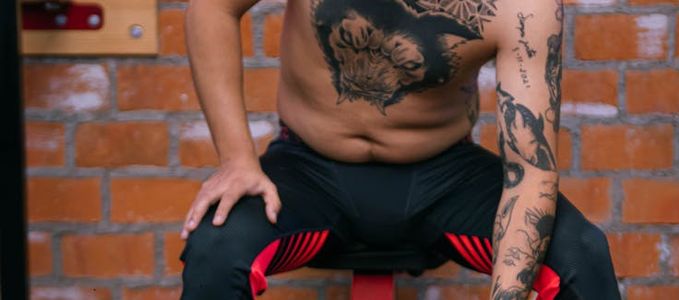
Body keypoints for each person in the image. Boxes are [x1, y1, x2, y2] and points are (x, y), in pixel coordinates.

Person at [179, 0, 621, 299]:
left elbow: (531, 172)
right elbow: (212, 6)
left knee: (582, 254)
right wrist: (237, 158)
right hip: (306, 168)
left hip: (447, 175)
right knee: (216, 249)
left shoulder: (521, 7)